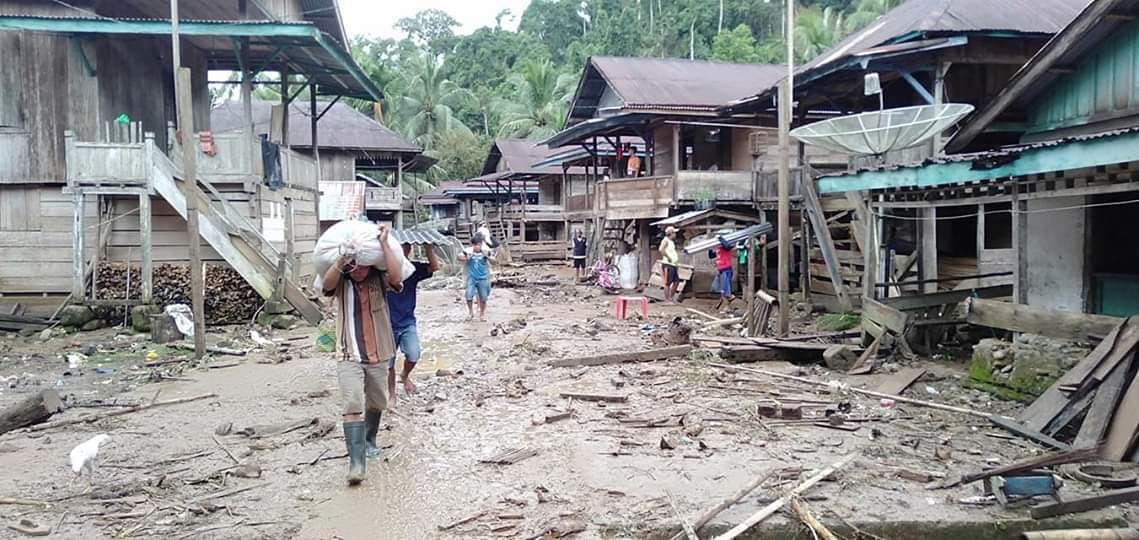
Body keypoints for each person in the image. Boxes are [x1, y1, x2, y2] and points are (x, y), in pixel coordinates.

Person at [319, 224, 403, 486]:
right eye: (354, 266)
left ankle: (369, 439)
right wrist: (343, 257)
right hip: (348, 353)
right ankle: (356, 464)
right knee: (352, 403)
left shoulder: (379, 279)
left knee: (378, 402)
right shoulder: (341, 282)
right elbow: (326, 284)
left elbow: (397, 276)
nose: (358, 270)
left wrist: (386, 243)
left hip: (379, 352)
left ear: (370, 265)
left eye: (362, 265)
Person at [385, 241, 439, 409]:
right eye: (402, 245)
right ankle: (392, 394)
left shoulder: (412, 269)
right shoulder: (383, 269)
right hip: (386, 324)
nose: (406, 248)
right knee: (388, 364)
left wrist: (429, 248)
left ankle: (405, 375)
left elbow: (434, 267)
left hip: (407, 321)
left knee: (413, 355)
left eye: (408, 246)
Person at [459, 233, 492, 320]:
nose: (478, 246)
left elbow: (494, 261)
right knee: (469, 295)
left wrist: (487, 257)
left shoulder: (485, 251)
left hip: (483, 278)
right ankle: (470, 313)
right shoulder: (468, 251)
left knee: (484, 298)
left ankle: (482, 314)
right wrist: (467, 258)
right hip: (471, 277)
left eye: (479, 244)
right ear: (472, 245)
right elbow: (459, 257)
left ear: (481, 244)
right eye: (476, 244)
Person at [714, 235, 736, 311]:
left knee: (725, 289)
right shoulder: (717, 248)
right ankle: (725, 305)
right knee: (721, 289)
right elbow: (711, 255)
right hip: (720, 269)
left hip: (726, 269)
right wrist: (710, 248)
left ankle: (727, 306)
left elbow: (727, 246)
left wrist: (720, 238)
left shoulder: (726, 247)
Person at [659, 226, 680, 303]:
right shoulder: (665, 240)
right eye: (674, 233)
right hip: (668, 264)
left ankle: (671, 298)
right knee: (667, 283)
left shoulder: (671, 241)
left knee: (676, 281)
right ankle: (667, 299)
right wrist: (668, 257)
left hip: (673, 264)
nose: (675, 234)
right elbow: (661, 249)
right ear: (671, 233)